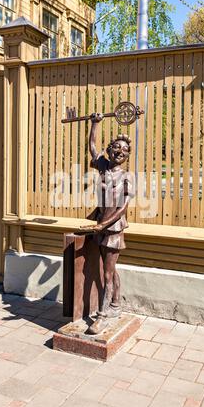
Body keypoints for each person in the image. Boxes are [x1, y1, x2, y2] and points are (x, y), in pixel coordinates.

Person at [80, 112, 134, 334]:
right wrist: (95, 123)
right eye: (116, 147)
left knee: (108, 273)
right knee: (109, 268)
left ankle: (101, 317)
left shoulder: (127, 178)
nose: (119, 151)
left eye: (124, 150)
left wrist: (104, 225)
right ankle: (115, 305)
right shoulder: (102, 166)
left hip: (112, 229)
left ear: (127, 155)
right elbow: (92, 146)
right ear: (110, 150)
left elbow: (122, 209)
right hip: (99, 226)